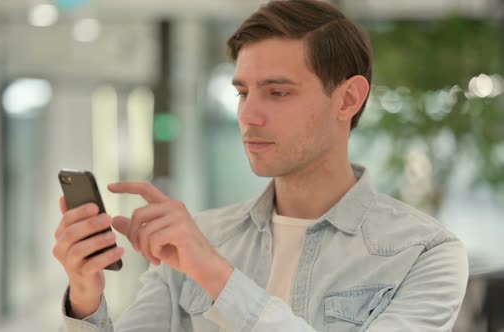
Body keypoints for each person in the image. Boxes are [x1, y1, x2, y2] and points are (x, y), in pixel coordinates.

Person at [53, 0, 469, 331]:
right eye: (243, 92)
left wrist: (216, 275)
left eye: (277, 92)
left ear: (347, 99)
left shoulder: (426, 254)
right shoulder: (199, 240)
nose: (249, 115)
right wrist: (86, 295)